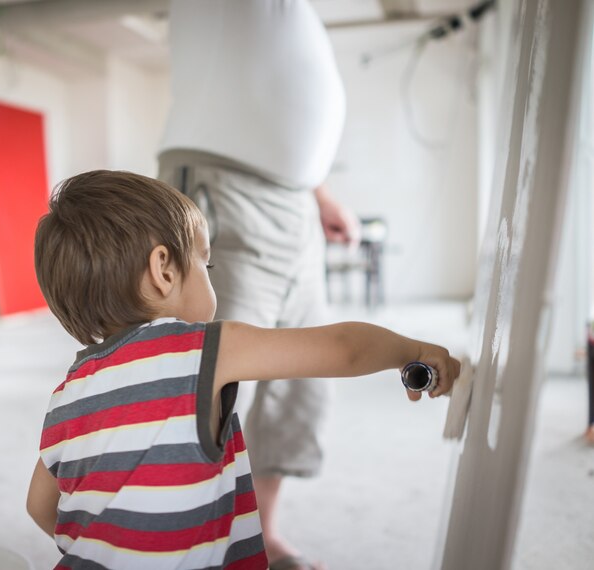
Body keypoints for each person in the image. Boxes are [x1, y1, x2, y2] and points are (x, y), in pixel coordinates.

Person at [26, 170, 461, 570]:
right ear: (163, 270)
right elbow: (343, 349)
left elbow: (39, 507)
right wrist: (410, 349)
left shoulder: (67, 393)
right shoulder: (207, 348)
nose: (209, 273)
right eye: (205, 262)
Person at [157, 2, 359, 567]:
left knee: (297, 387)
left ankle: (258, 533)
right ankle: (183, 544)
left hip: (295, 203)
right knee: (207, 387)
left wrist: (317, 194)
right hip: (222, 189)